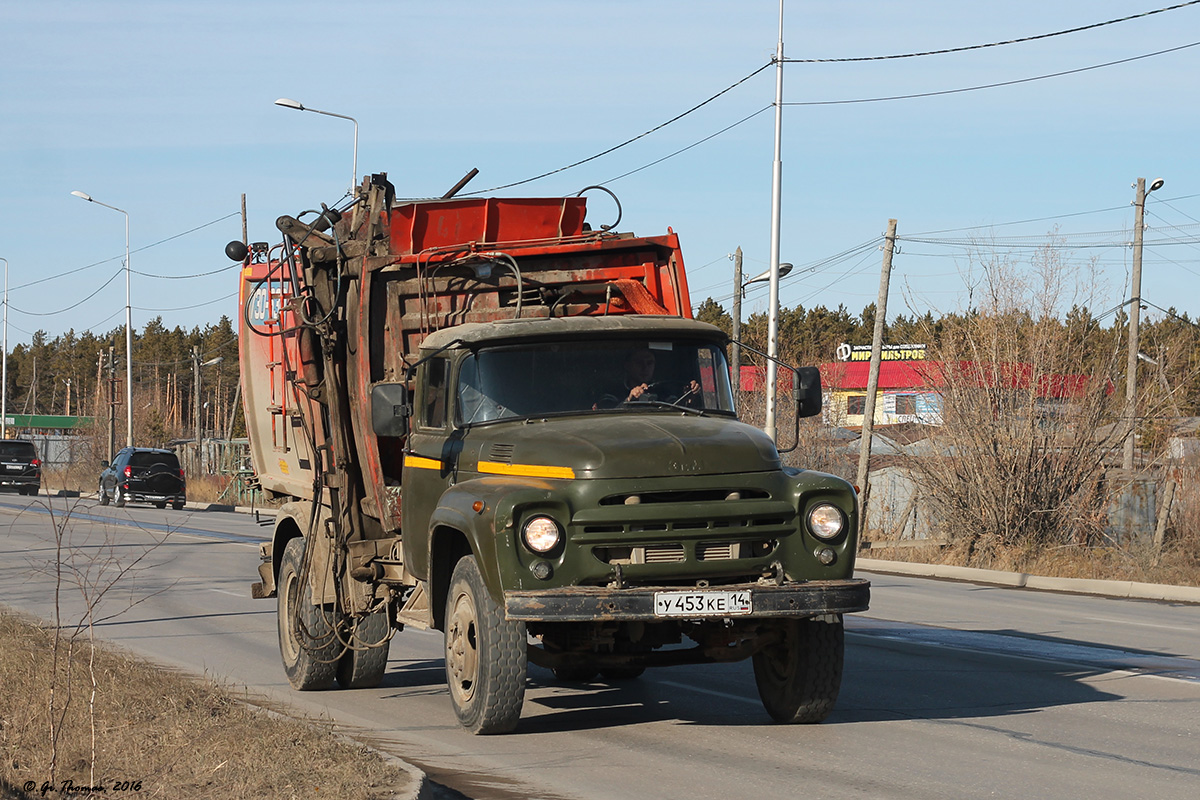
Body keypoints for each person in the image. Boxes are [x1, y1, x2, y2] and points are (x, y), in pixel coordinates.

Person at [597, 347, 701, 408]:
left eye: (650, 363)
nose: (645, 367)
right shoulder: (612, 391)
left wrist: (689, 399)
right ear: (627, 365)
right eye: (639, 363)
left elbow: (675, 413)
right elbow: (605, 418)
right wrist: (629, 400)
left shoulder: (664, 392)